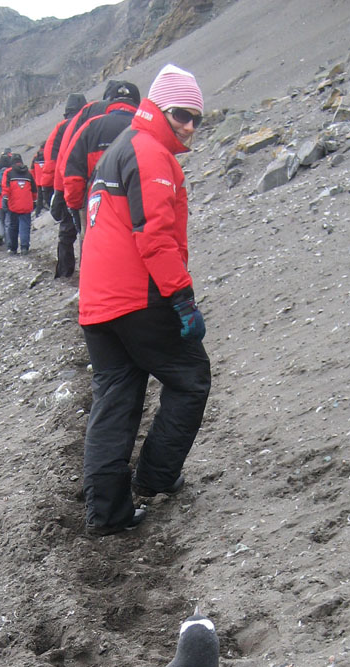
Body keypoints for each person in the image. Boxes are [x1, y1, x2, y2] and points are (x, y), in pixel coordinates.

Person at [77, 64, 210, 536]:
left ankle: (107, 513)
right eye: (181, 114)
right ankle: (156, 476)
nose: (189, 126)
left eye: (197, 118)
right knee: (191, 378)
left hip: (96, 301)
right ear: (158, 107)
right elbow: (155, 236)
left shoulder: (119, 149)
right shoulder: (149, 151)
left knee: (115, 397)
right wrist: (182, 299)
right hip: (138, 295)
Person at [62, 81, 140, 222]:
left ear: (110, 102)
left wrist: (78, 205)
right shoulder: (146, 128)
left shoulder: (90, 127)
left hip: (96, 207)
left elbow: (72, 172)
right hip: (136, 209)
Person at [41, 93, 86, 277]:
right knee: (89, 229)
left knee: (66, 230)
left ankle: (65, 272)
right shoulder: (91, 123)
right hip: (90, 183)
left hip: (67, 185)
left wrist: (48, 191)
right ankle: (89, 271)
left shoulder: (61, 129)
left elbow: (51, 161)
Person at [0, 154, 37, 254]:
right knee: (25, 226)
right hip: (26, 204)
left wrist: (5, 199)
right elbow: (34, 189)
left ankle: (13, 248)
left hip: (13, 204)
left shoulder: (8, 172)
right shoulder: (28, 173)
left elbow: (5, 187)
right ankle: (24, 248)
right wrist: (34, 201)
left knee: (13, 226)